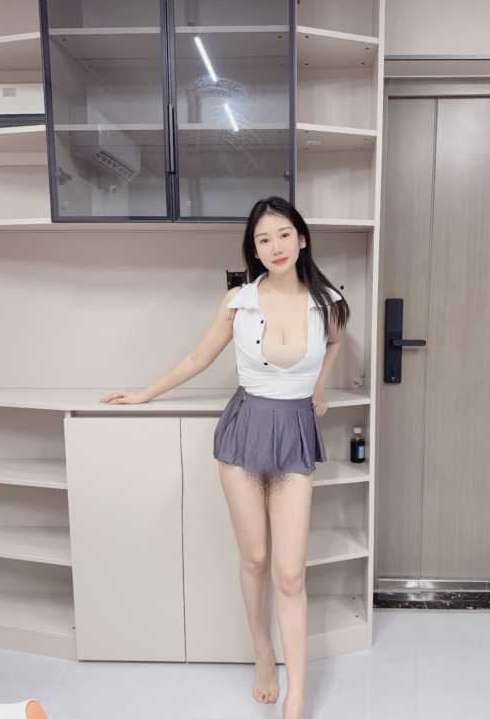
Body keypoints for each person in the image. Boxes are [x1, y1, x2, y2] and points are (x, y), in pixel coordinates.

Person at [100, 196, 350, 719]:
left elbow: (332, 345)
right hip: (244, 434)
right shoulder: (240, 301)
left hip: (293, 435)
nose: (275, 246)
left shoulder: (327, 303)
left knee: (289, 573)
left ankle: (296, 695)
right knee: (254, 558)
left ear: (302, 239)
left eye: (284, 234)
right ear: (254, 251)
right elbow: (199, 356)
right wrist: (145, 393)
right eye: (263, 239)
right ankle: (262, 653)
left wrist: (318, 388)